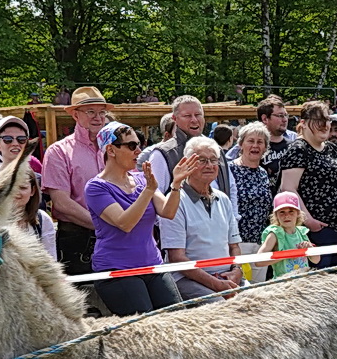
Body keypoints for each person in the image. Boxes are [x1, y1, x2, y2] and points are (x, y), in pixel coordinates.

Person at [85, 121, 190, 314]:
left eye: (139, 143)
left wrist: (176, 184)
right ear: (111, 150)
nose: (138, 150)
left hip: (152, 265)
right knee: (146, 328)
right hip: (118, 271)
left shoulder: (142, 179)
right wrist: (149, 190)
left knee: (177, 319)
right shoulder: (96, 187)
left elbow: (168, 212)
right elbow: (125, 223)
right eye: (132, 145)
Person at [276, 100, 337, 264]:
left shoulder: (332, 148)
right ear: (304, 123)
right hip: (320, 233)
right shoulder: (298, 150)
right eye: (318, 121)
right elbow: (288, 188)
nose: (324, 125)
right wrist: (309, 221)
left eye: (326, 120)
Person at [163, 137, 242, 300]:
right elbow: (177, 257)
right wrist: (216, 284)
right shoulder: (175, 200)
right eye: (202, 160)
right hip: (189, 279)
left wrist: (236, 272)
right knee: (220, 307)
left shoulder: (223, 199)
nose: (210, 165)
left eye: (214, 160)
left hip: (226, 277)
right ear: (188, 163)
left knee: (257, 302)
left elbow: (234, 246)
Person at [42, 86, 111, 274]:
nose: (98, 117)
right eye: (90, 112)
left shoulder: (112, 149)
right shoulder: (58, 151)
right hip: (77, 240)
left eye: (102, 112)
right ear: (75, 115)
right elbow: (62, 203)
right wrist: (105, 227)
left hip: (113, 237)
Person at [228, 121, 274, 248]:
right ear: (241, 144)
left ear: (265, 147)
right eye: (250, 141)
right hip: (236, 243)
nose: (255, 145)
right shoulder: (229, 170)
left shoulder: (263, 173)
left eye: (260, 142)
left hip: (261, 243)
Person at [261, 193, 314, 278]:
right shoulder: (274, 234)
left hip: (303, 282)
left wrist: (310, 249)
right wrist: (286, 255)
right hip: (282, 285)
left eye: (291, 211)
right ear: (276, 215)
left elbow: (316, 260)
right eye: (282, 212)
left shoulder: (302, 232)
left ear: (298, 214)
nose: (286, 216)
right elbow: (259, 261)